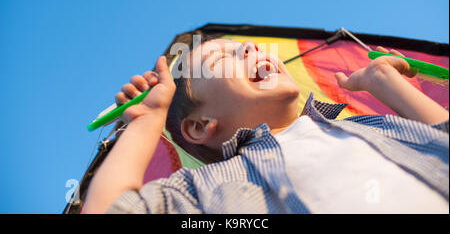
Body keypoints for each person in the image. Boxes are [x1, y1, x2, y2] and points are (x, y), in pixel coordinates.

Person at [83, 38, 449, 214]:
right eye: (218, 58)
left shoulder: (373, 125)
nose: (249, 49)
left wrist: (386, 81)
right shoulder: (204, 191)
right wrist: (148, 120)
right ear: (200, 126)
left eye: (248, 46)